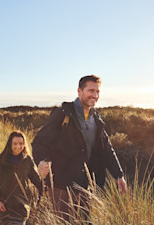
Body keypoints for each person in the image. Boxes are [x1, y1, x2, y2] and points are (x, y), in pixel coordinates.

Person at [31, 75, 127, 221]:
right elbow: (39, 142)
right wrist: (42, 161)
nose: (95, 95)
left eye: (97, 91)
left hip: (85, 186)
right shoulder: (63, 113)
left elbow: (107, 149)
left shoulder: (96, 119)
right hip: (61, 186)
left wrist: (118, 175)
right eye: (91, 91)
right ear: (79, 91)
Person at [0, 131, 42, 225]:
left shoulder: (27, 161)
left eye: (21, 143)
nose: (18, 146)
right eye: (15, 143)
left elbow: (37, 180)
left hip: (21, 208)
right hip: (4, 208)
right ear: (10, 144)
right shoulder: (1, 161)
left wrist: (47, 186)